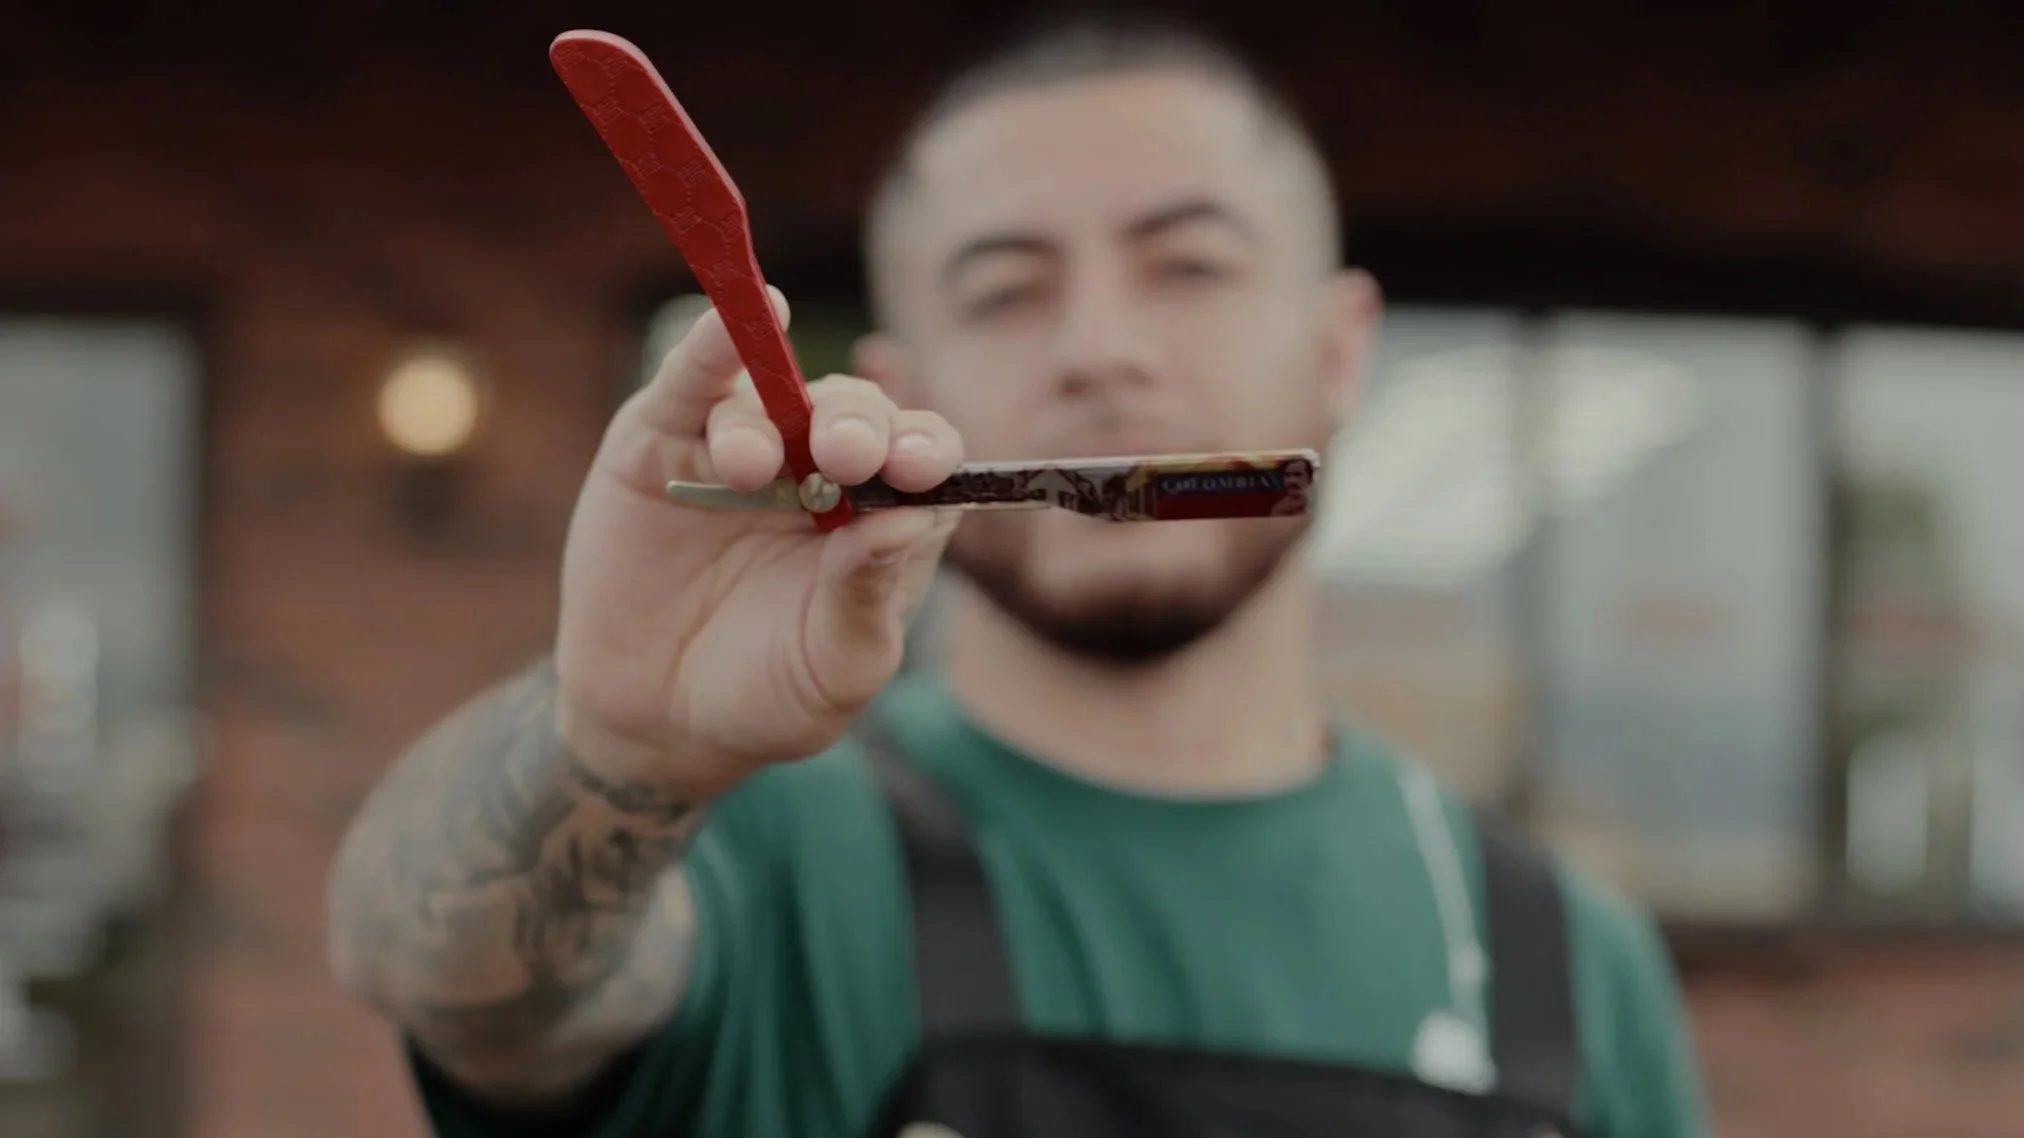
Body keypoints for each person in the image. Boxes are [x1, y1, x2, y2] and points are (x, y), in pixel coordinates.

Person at [327, 12, 1710, 1138]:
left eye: (1188, 265)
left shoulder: (1566, 958)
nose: (1098, 349)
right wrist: (611, 743)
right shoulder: (758, 837)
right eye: (1005, 288)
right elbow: (438, 980)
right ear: (904, 391)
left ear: (1340, 352)